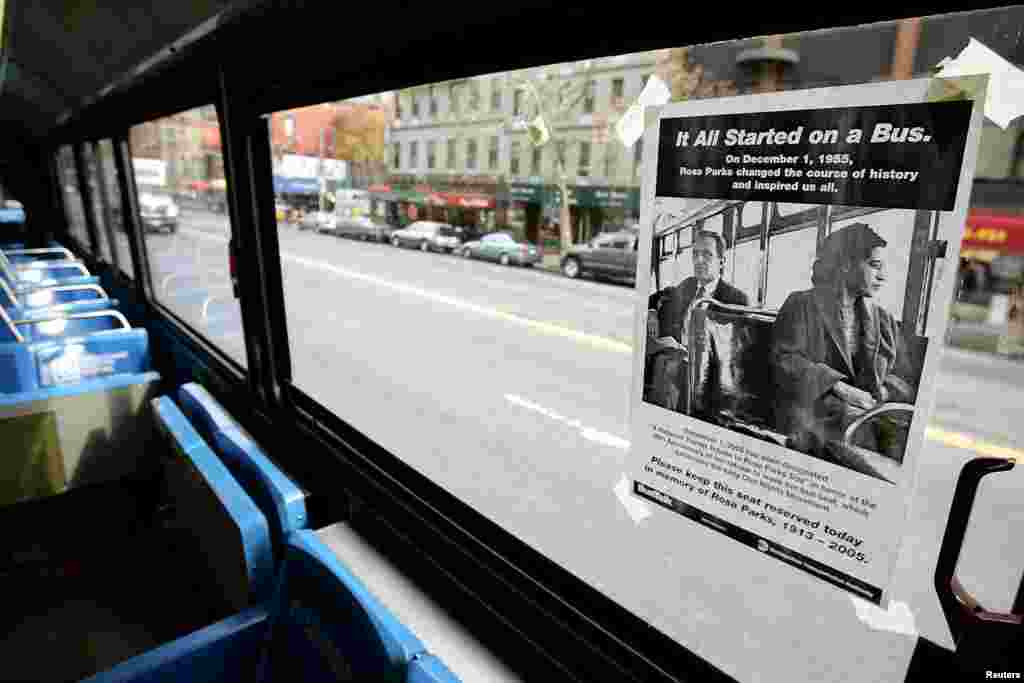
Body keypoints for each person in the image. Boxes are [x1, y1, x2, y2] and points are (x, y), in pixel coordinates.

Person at [771, 223, 918, 471]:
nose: (883, 276)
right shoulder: (801, 304)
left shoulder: (883, 319)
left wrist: (882, 391)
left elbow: (902, 377)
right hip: (812, 413)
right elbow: (784, 360)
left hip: (867, 413)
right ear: (847, 265)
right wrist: (839, 388)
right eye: (874, 265)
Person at [645, 230, 749, 411]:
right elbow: (658, 296)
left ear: (722, 261)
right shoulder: (688, 285)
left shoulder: (736, 300)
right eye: (695, 254)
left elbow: (736, 356)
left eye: (707, 255)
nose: (699, 260)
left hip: (709, 381)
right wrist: (653, 311)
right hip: (675, 371)